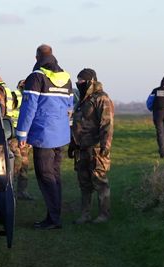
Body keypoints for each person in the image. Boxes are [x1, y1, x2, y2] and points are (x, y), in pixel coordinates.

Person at [16, 44, 73, 230]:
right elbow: (69, 107)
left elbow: (29, 107)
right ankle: (54, 214)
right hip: (61, 135)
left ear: (36, 58)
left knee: (45, 176)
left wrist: (22, 133)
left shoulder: (36, 77)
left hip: (43, 135)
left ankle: (54, 219)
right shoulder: (66, 78)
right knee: (55, 176)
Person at [68, 68, 114, 224]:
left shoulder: (102, 99)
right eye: (78, 80)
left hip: (96, 149)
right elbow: (77, 123)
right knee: (84, 183)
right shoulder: (83, 100)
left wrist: (105, 146)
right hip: (81, 149)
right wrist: (73, 144)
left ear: (91, 81)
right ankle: (85, 214)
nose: (79, 83)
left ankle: (104, 214)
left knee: (100, 181)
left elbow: (107, 124)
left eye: (82, 81)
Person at [9, 80, 33, 200]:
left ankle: (22, 192)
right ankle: (11, 191)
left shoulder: (29, 97)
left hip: (25, 135)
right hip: (14, 134)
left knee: (24, 163)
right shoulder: (15, 95)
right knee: (16, 163)